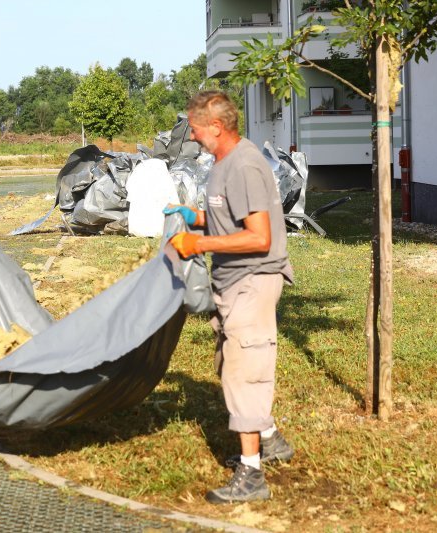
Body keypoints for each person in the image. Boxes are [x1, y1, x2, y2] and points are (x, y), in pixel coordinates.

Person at [164, 90, 294, 503]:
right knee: (228, 361)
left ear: (216, 128)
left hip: (253, 280)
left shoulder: (244, 165)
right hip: (232, 280)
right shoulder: (222, 163)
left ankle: (251, 475)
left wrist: (199, 246)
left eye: (197, 128)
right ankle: (270, 439)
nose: (194, 135)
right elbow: (229, 217)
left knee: (244, 369)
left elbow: (259, 236)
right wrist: (197, 219)